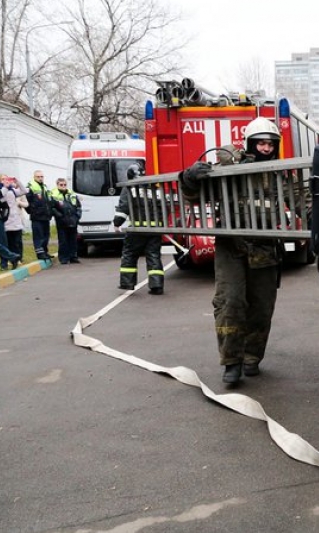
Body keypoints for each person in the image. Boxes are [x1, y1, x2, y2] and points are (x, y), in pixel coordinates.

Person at [178, 117, 284, 385]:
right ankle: (231, 361)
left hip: (265, 248)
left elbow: (305, 199)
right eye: (260, 142)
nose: (266, 148)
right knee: (231, 302)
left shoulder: (281, 173)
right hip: (231, 246)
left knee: (261, 307)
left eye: (270, 143)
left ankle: (251, 357)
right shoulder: (230, 170)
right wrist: (190, 178)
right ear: (250, 143)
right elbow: (195, 193)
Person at [113, 164, 164, 294]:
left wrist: (117, 223)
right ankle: (156, 286)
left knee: (130, 254)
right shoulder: (153, 189)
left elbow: (124, 207)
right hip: (155, 229)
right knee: (154, 256)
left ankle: (127, 283)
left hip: (137, 228)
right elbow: (163, 207)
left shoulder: (129, 188)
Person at [49, 178, 82, 264]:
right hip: (62, 222)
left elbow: (78, 207)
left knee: (73, 240)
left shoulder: (71, 194)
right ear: (57, 185)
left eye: (64, 185)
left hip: (73, 221)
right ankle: (64, 258)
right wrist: (60, 216)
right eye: (61, 185)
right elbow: (52, 208)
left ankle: (73, 257)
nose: (63, 186)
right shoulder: (54, 194)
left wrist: (77, 217)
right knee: (63, 241)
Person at [0, 174, 28, 262]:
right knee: (9, 242)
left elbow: (24, 191)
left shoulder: (12, 190)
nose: (5, 181)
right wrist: (5, 187)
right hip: (6, 220)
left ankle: (19, 258)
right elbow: (0, 199)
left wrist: (17, 181)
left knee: (17, 241)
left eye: (6, 179)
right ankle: (11, 259)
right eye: (2, 179)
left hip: (15, 219)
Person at [25, 170, 54, 261]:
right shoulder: (30, 187)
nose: (40, 178)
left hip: (46, 216)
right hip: (36, 216)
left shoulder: (45, 187)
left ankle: (45, 251)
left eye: (42, 176)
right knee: (38, 235)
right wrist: (32, 211)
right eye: (38, 176)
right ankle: (40, 253)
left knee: (46, 235)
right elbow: (26, 201)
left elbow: (48, 200)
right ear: (34, 177)